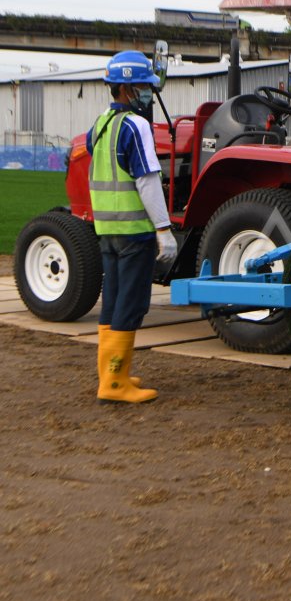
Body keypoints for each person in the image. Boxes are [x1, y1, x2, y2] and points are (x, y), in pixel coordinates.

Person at [87, 51, 178, 404]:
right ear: (126, 88)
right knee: (132, 302)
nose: (146, 92)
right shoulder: (136, 126)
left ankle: (112, 374)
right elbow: (147, 181)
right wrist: (164, 229)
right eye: (142, 86)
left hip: (107, 231)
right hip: (134, 232)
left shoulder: (100, 126)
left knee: (111, 301)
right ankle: (114, 383)